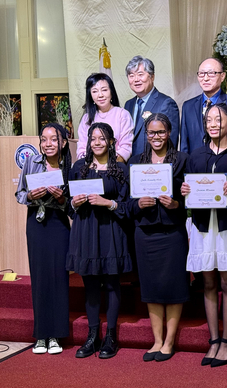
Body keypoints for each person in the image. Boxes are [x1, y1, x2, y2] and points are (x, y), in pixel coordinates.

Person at [181, 103, 227, 367]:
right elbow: (187, 189)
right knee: (208, 283)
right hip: (202, 225)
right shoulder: (196, 156)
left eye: (218, 119)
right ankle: (213, 340)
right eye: (209, 119)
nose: (213, 124)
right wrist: (186, 190)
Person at [127, 113, 189, 362]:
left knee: (173, 286)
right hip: (145, 232)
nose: (156, 137)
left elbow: (192, 199)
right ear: (146, 134)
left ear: (169, 133)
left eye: (161, 132)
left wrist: (176, 205)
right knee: (151, 287)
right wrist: (137, 204)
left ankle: (169, 341)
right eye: (152, 133)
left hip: (172, 232)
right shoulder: (136, 162)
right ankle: (157, 340)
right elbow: (126, 204)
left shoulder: (183, 160)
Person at [67, 122, 132, 359]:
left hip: (111, 230)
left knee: (112, 283)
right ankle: (92, 336)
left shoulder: (122, 170)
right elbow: (68, 204)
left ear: (112, 142)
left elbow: (128, 207)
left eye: (102, 138)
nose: (97, 142)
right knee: (91, 284)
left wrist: (108, 203)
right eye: (93, 138)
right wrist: (74, 203)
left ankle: (111, 337)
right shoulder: (78, 168)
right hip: (85, 230)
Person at [15, 123, 72, 355]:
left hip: (59, 225)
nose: (48, 144)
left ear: (64, 143)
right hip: (36, 224)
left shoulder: (70, 166)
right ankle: (41, 335)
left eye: (53, 139)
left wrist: (61, 199)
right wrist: (30, 195)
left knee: (58, 277)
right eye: (44, 139)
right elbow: (19, 193)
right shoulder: (31, 162)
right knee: (39, 278)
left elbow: (73, 207)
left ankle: (56, 335)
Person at [180, 58, 227, 153]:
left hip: (223, 164)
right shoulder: (188, 106)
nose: (206, 78)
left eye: (211, 73)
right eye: (202, 73)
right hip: (194, 165)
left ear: (222, 76)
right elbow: (184, 145)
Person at [124, 56, 180, 157]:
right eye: (131, 75)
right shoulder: (128, 104)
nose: (136, 79)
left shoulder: (166, 103)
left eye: (140, 74)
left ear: (152, 77)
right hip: (130, 165)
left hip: (154, 165)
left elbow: (171, 142)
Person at [76, 73, 133, 162]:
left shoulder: (122, 114)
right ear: (90, 95)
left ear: (111, 91)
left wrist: (110, 167)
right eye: (95, 91)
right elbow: (82, 148)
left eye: (104, 90)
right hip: (91, 169)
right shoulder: (86, 118)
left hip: (116, 168)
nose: (100, 95)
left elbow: (126, 147)